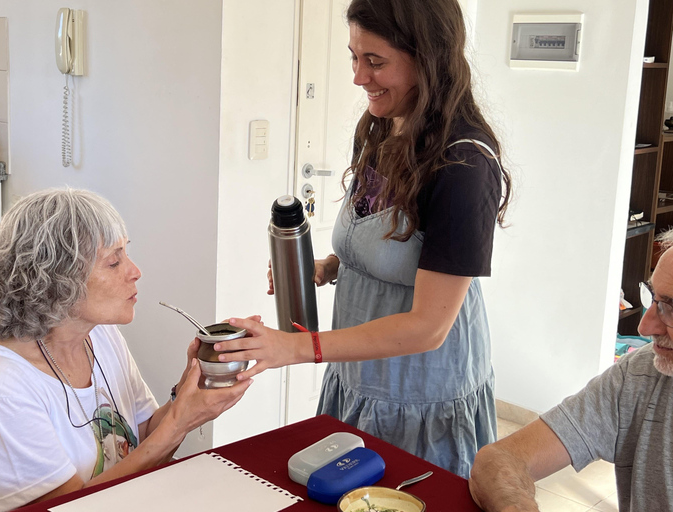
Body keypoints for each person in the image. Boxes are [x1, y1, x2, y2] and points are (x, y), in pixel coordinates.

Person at [217, 0, 512, 478]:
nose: (358, 77)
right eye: (354, 57)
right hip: (359, 375)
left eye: (375, 62)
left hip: (419, 393)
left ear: (429, 58)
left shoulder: (464, 167)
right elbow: (386, 240)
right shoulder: (380, 130)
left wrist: (296, 348)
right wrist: (326, 266)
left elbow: (427, 328)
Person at [0, 188, 252, 512]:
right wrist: (180, 422)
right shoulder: (1, 386)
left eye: (127, 253)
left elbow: (143, 433)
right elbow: (66, 508)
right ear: (56, 281)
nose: (135, 271)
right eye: (114, 261)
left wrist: (190, 389)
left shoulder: (101, 335)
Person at [468, 233, 673, 512]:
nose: (644, 327)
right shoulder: (639, 376)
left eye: (669, 310)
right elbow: (498, 460)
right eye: (654, 300)